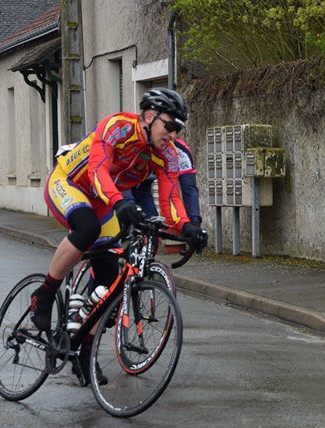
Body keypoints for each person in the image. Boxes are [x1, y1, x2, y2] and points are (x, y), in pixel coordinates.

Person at [29, 88, 208, 333]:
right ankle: (45, 294)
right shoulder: (117, 127)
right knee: (87, 227)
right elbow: (98, 171)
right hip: (69, 182)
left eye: (178, 129)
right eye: (169, 126)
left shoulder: (168, 154)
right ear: (149, 117)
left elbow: (171, 199)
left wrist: (187, 227)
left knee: (108, 278)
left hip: (102, 199)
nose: (173, 135)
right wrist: (120, 202)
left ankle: (84, 352)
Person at [129, 136, 202, 227]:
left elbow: (189, 188)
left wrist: (194, 220)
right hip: (122, 184)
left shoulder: (182, 151)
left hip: (144, 188)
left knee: (152, 229)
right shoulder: (138, 143)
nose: (171, 135)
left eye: (175, 130)